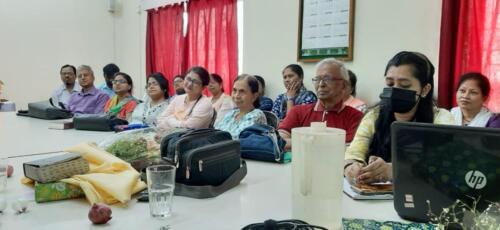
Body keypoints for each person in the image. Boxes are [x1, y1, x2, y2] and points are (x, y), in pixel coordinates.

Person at [344, 51, 456, 185]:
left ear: (425, 90)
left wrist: (394, 171)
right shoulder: (374, 115)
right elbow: (354, 153)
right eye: (390, 84)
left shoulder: (441, 118)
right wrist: (351, 167)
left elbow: (446, 165)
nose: (395, 90)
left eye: (404, 85)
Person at [278, 58, 363, 151]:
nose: (321, 84)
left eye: (327, 79)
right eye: (317, 79)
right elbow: (279, 140)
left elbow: (350, 149)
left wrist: (304, 142)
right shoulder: (298, 111)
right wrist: (318, 143)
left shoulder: (355, 117)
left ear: (344, 85)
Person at [157, 67, 214, 132]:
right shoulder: (178, 98)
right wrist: (178, 123)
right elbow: (160, 120)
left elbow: (188, 129)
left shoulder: (205, 104)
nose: (189, 84)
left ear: (203, 87)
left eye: (195, 82)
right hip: (171, 138)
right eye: (188, 79)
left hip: (191, 140)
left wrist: (170, 119)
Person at [215, 75, 267, 139]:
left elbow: (237, 139)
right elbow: (216, 132)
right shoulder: (231, 113)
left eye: (242, 91)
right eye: (234, 90)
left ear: (254, 96)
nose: (237, 96)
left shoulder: (257, 115)